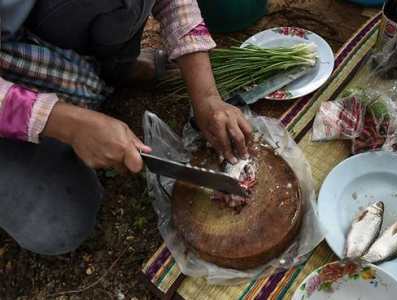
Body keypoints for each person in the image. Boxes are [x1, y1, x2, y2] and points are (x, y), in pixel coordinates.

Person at [0, 0, 252, 255]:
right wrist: (65, 124)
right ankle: (68, 109)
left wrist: (206, 95)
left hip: (30, 34)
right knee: (58, 227)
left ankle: (113, 66)